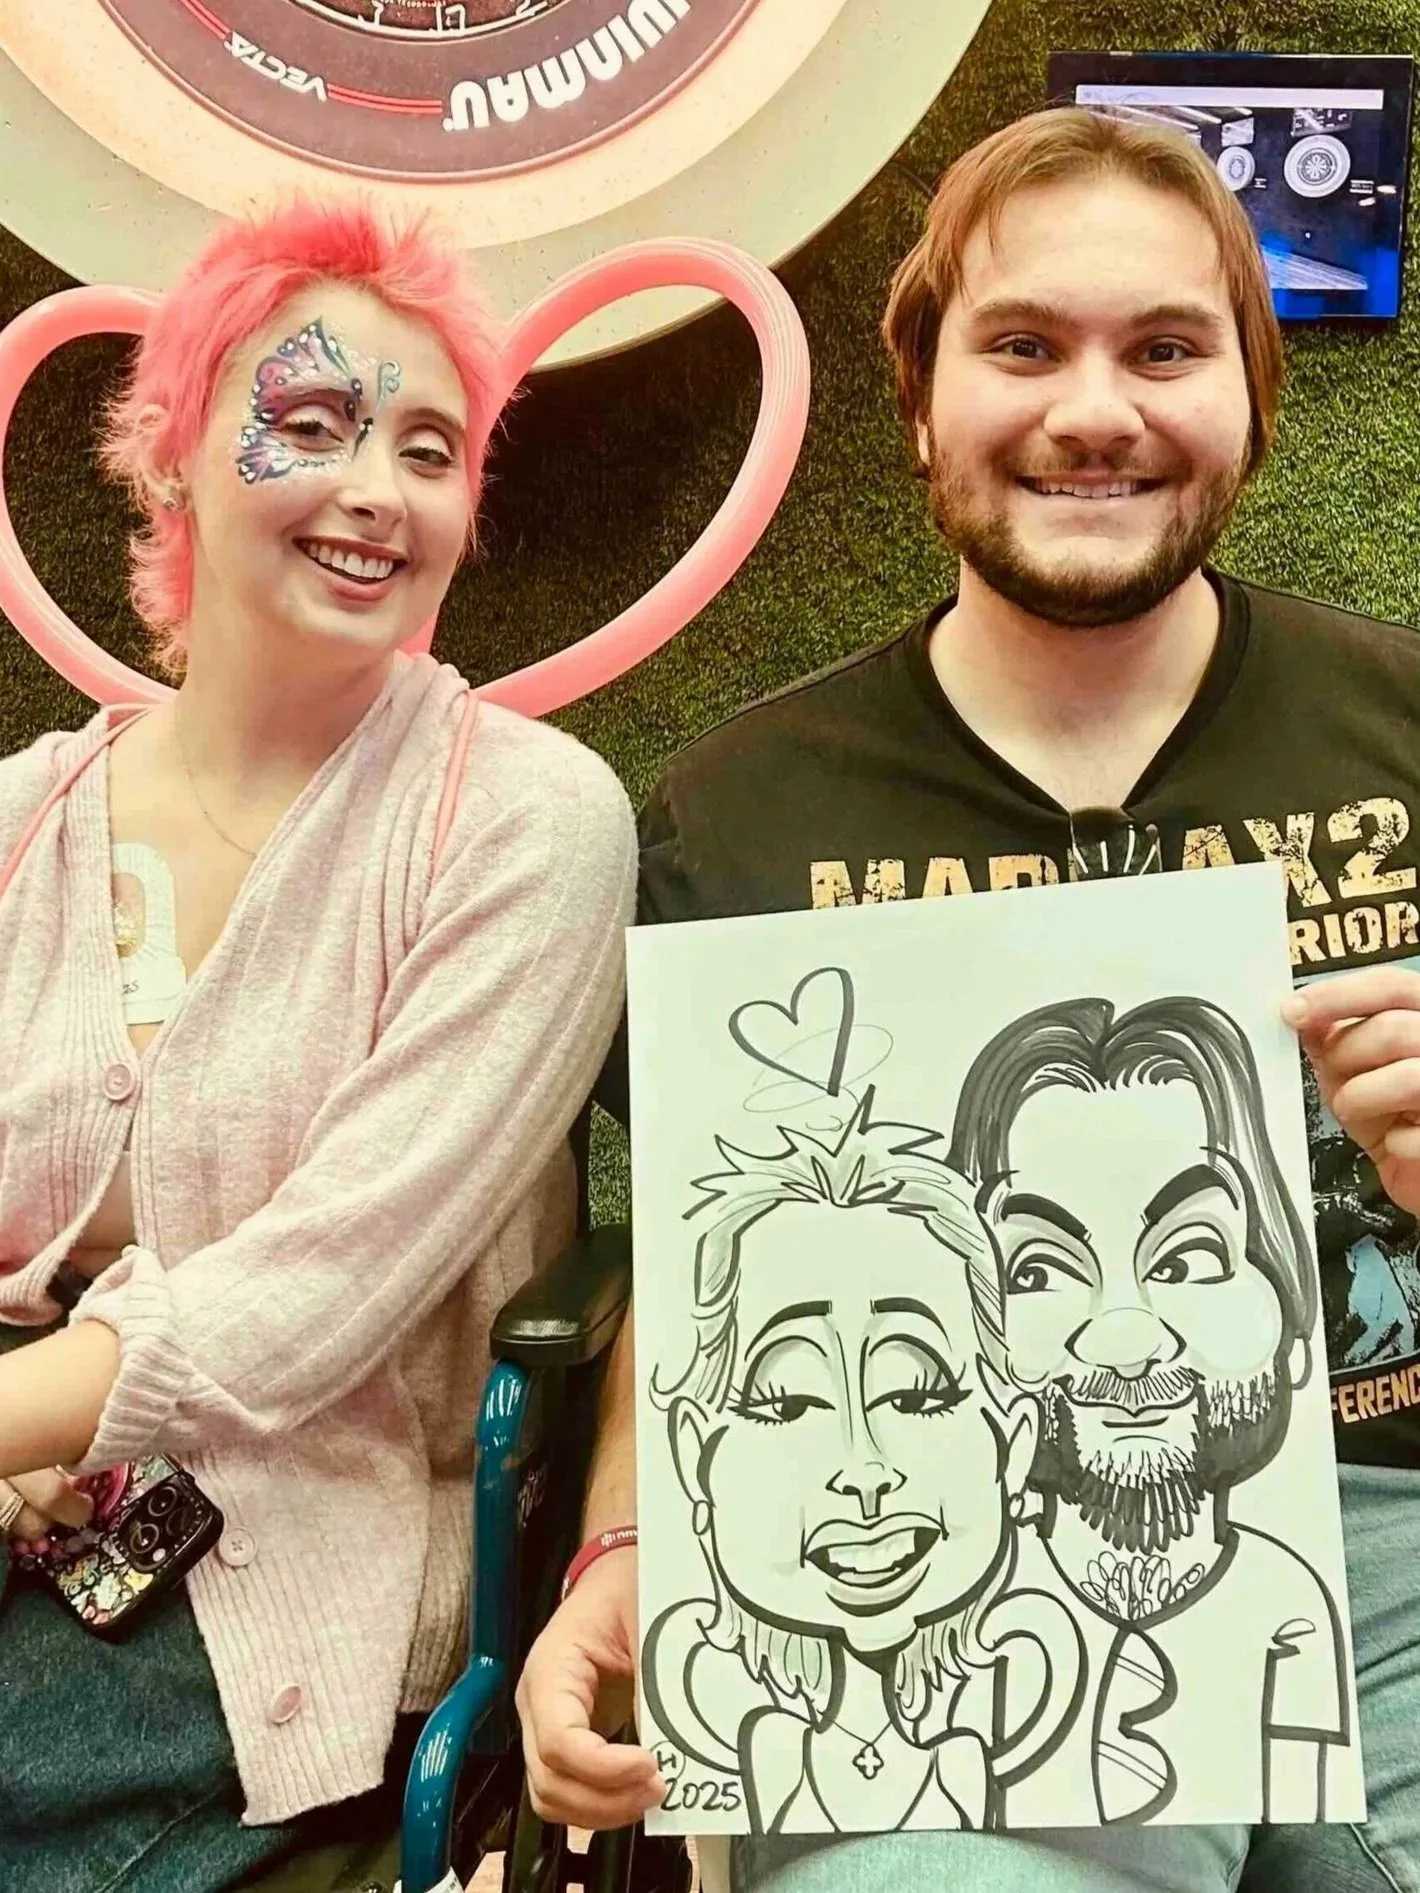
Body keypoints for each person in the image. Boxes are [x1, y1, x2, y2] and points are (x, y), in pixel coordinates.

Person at [515, 104, 1420, 1893]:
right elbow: (690, 1267)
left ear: (1252, 398)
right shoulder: (736, 815)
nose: (1095, 409)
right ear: (921, 401)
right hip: (941, 1580)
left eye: (1165, 349)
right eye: (1022, 346)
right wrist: (626, 1541)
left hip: (1392, 1543)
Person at [0, 197, 635, 1888]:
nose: (378, 488)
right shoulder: (24, 819)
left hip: (293, 1570)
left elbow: (315, 1301)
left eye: (430, 449)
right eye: (310, 420)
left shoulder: (527, 821)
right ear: (172, 450)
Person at [951, 996, 1346, 1828]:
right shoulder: (965, 1603)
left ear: (1292, 1319)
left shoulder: (1288, 1608)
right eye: (1037, 1272)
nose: (1126, 1342)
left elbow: (1311, 1797)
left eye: (1190, 1257)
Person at [640, 1097, 1081, 1835]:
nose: (864, 1467)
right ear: (696, 1458)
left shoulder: (1037, 1685)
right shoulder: (753, 1738)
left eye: (916, 1394)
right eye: (787, 1402)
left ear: (1012, 1444)